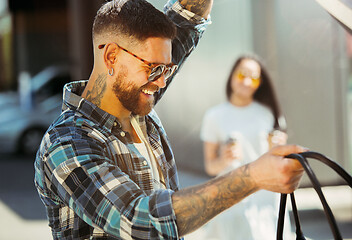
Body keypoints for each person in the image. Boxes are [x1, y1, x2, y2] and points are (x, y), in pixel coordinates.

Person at [34, 1, 306, 239]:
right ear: (111, 56)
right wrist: (251, 177)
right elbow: (141, 219)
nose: (163, 81)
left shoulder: (137, 101)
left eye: (168, 69)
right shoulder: (66, 144)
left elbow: (190, 15)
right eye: (154, 69)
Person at [199, 55, 292, 239]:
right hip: (231, 198)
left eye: (254, 77)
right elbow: (210, 167)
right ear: (232, 76)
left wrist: (279, 148)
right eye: (242, 75)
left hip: (265, 198)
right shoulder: (214, 116)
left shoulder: (267, 113)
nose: (247, 82)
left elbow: (275, 159)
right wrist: (224, 159)